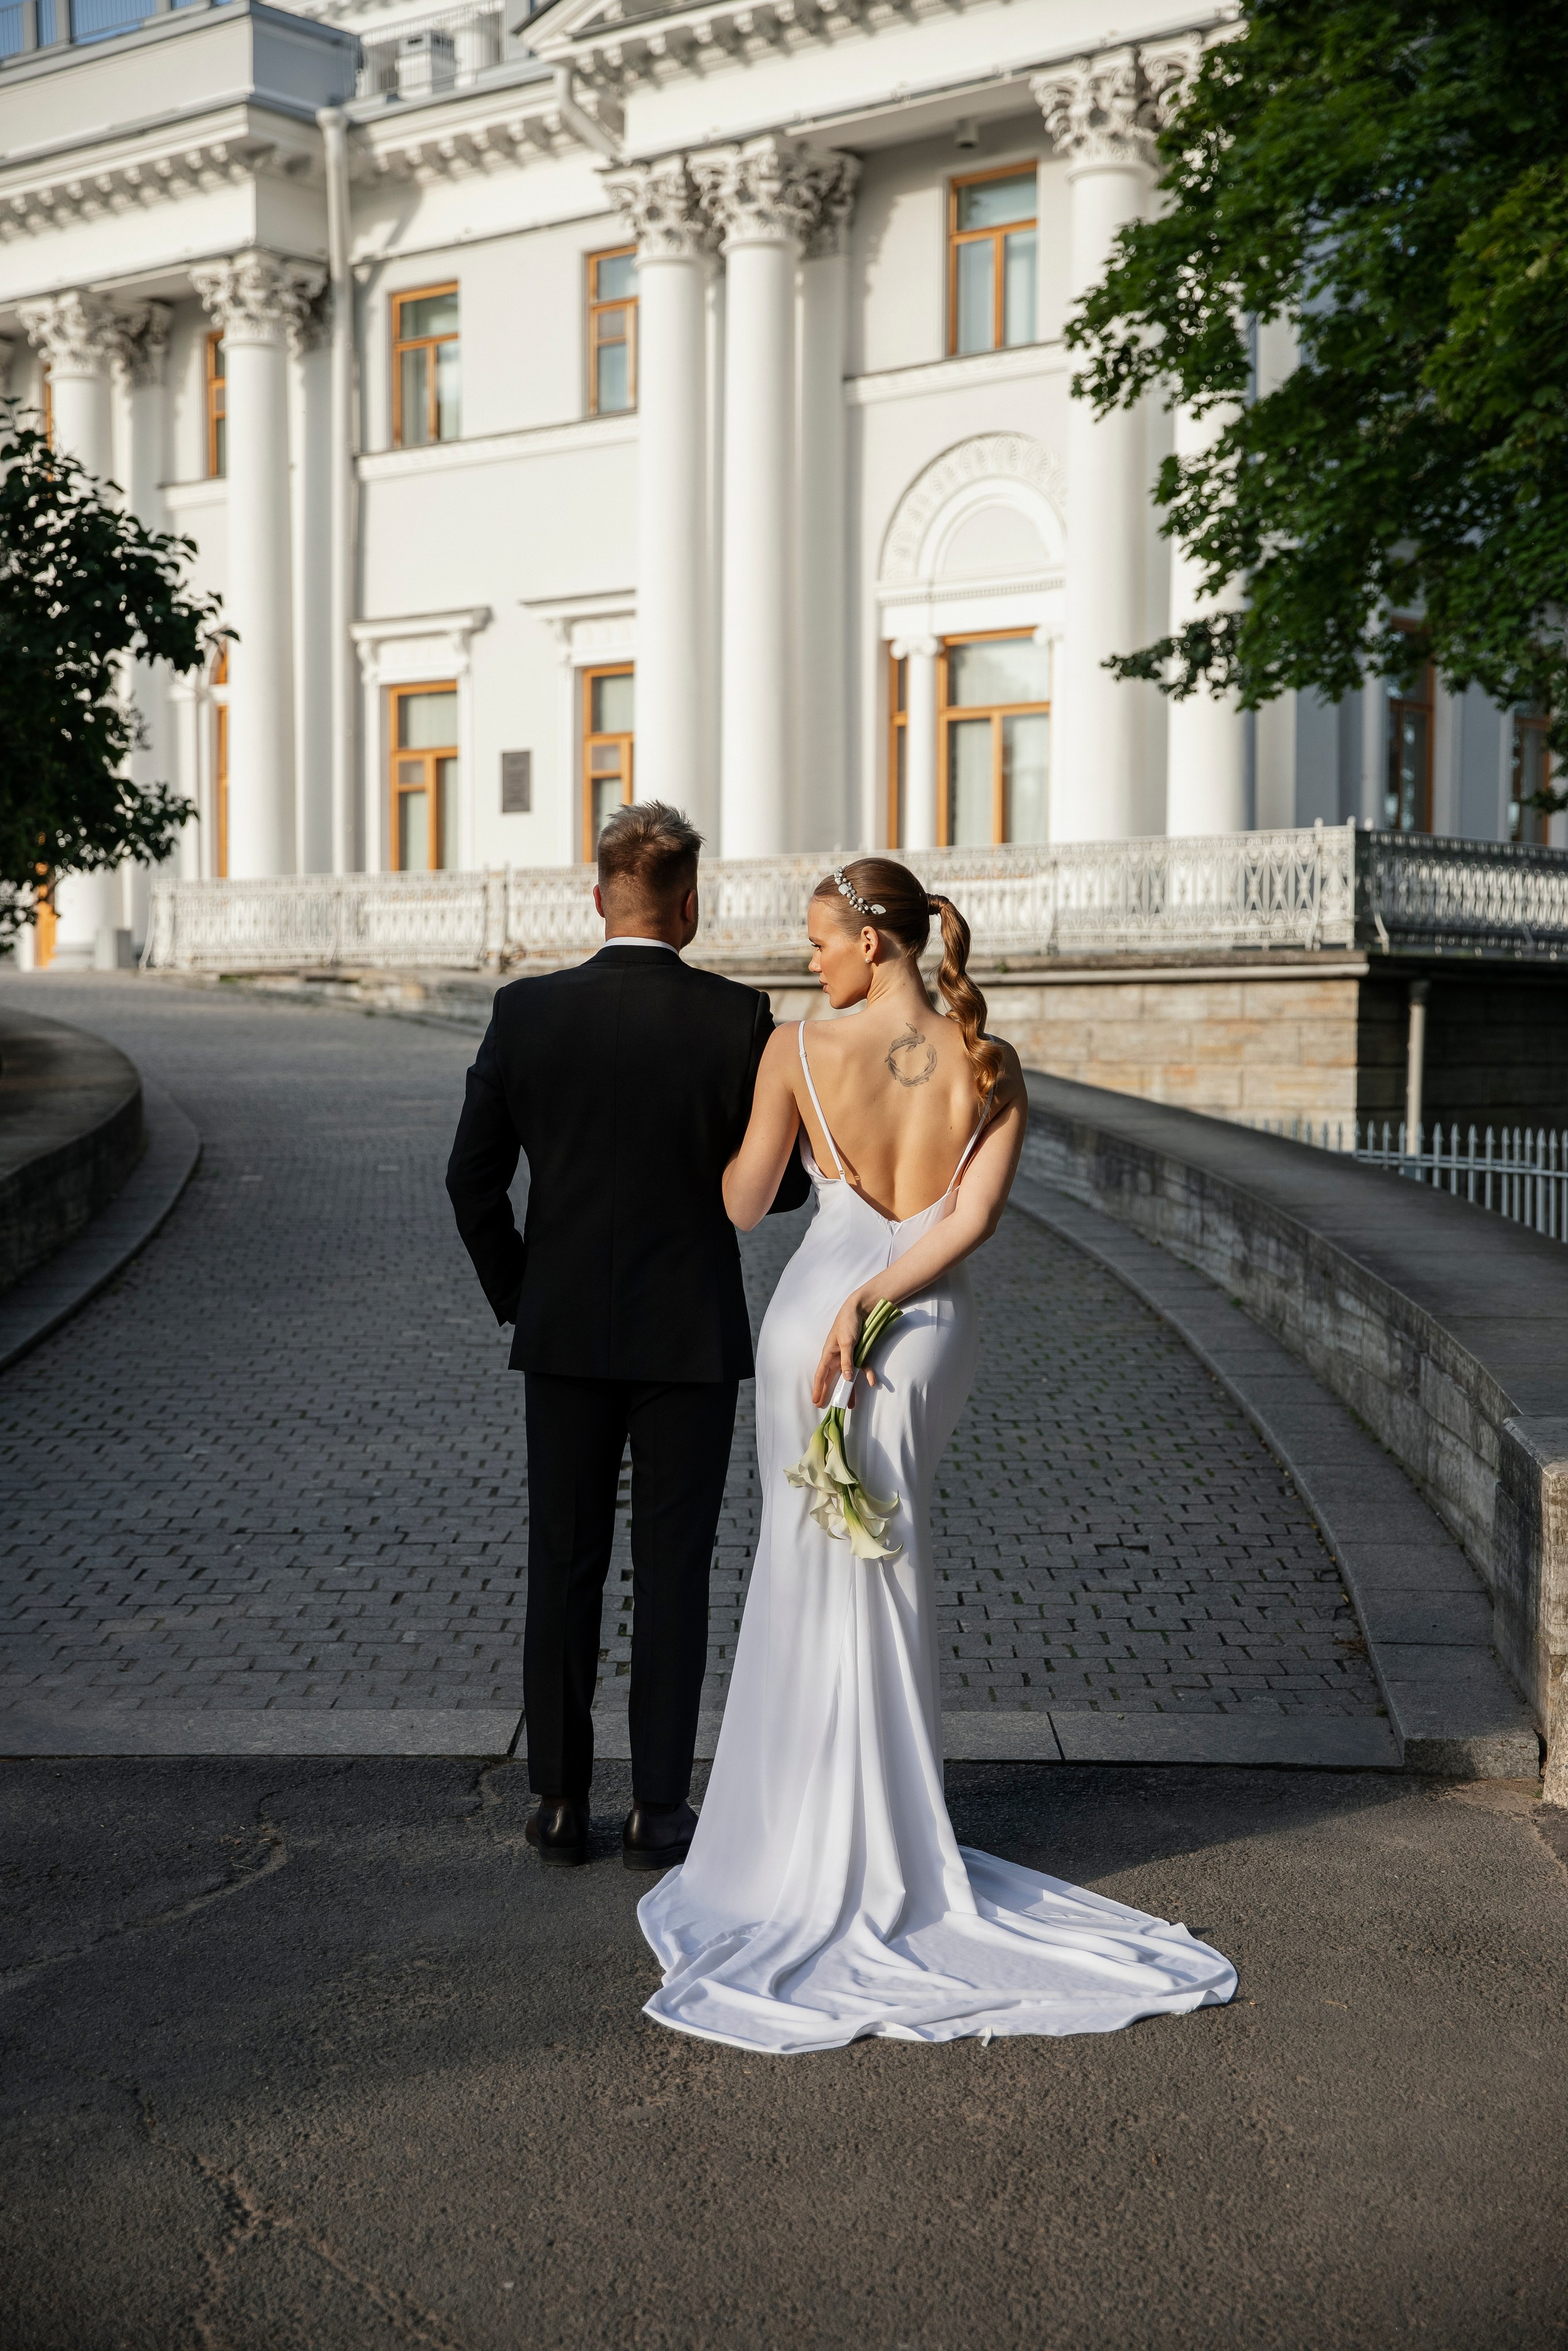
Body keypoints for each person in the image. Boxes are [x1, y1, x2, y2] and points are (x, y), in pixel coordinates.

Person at [636, 856, 1237, 2051]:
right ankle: (891, 1847)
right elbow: (970, 1222)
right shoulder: (989, 1061)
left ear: (873, 944)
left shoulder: (793, 1052)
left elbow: (746, 1206)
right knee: (886, 1558)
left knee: (807, 1567)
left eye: (819, 941)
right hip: (926, 1329)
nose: (808, 960)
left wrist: (840, 1289)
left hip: (816, 1319)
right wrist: (885, 1304)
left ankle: (800, 1845)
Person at [445, 802, 808, 1872]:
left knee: (561, 1562)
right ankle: (659, 1810)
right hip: (689, 1337)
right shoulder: (740, 1021)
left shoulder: (524, 1013)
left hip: (560, 1335)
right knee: (675, 1569)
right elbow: (778, 1185)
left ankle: (558, 1804)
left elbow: (470, 1181)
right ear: (690, 906)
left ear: (599, 897)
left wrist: (523, 1295)